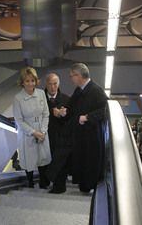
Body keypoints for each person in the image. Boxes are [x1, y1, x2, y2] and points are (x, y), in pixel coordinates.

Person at [64, 63, 108, 192]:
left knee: (90, 161)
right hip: (81, 135)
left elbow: (106, 109)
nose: (71, 79)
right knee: (81, 160)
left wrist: (88, 117)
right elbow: (70, 105)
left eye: (72, 76)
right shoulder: (79, 90)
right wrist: (64, 110)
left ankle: (90, 186)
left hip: (92, 135)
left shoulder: (96, 90)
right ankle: (84, 186)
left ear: (79, 75)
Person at [13, 67, 51, 188]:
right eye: (27, 81)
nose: (30, 84)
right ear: (22, 82)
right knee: (28, 159)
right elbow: (19, 120)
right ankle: (30, 182)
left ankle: (43, 182)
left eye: (32, 80)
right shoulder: (17, 98)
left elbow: (46, 114)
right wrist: (34, 132)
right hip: (27, 132)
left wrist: (43, 131)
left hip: (42, 129)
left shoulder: (41, 93)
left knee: (43, 157)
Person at [43, 73, 71, 193]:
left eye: (55, 84)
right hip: (44, 134)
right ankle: (44, 181)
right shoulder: (40, 98)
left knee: (60, 160)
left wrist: (63, 115)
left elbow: (70, 119)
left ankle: (59, 186)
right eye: (50, 84)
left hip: (61, 136)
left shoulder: (66, 99)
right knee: (44, 159)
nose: (53, 87)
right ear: (46, 84)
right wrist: (51, 112)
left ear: (58, 84)